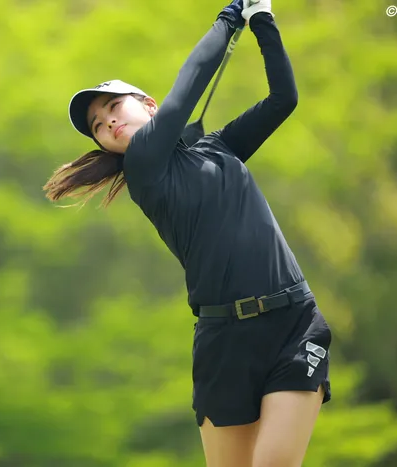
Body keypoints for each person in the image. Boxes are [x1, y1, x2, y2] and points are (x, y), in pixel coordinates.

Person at [43, 0, 332, 466]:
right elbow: (190, 84)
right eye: (98, 125)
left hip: (293, 324)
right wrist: (230, 17)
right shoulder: (143, 167)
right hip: (223, 340)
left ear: (147, 105)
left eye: (113, 107)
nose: (108, 122)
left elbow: (284, 99)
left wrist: (262, 18)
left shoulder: (219, 147)